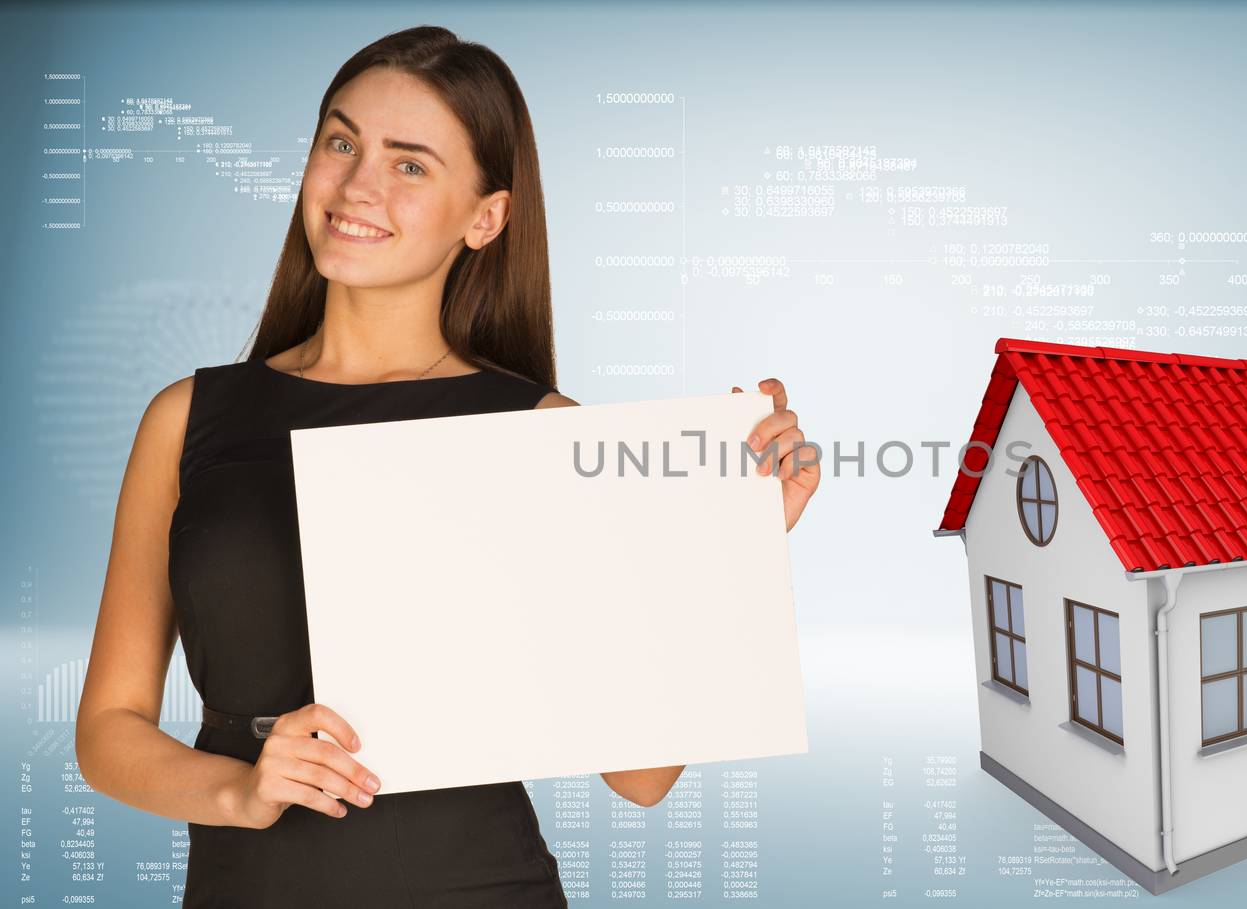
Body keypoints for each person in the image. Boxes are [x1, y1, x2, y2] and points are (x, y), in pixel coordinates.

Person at [74, 25, 819, 908]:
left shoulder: (541, 431)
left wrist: (732, 548)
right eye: (342, 143)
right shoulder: (187, 418)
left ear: (486, 217)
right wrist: (242, 790)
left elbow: (641, 775)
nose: (358, 186)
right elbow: (108, 730)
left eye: (411, 165)